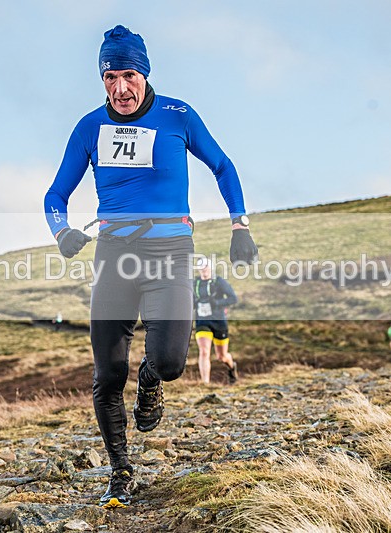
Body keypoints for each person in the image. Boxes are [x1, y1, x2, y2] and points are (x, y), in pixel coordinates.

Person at [43, 25, 257, 509]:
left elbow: (223, 166)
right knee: (106, 374)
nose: (120, 88)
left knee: (168, 361)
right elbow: (55, 195)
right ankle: (120, 472)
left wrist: (239, 226)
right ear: (102, 79)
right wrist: (63, 232)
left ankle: (153, 380)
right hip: (114, 256)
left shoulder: (179, 116)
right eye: (110, 77)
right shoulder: (88, 128)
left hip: (170, 254)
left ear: (145, 73)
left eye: (130, 75)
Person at [193, 257, 239, 385]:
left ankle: (231, 367)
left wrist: (217, 303)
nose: (204, 270)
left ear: (211, 268)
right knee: (204, 351)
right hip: (202, 321)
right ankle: (205, 383)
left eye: (206, 267)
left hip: (219, 322)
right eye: (201, 268)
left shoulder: (219, 282)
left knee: (221, 356)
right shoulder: (195, 283)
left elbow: (233, 298)